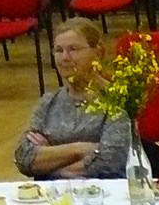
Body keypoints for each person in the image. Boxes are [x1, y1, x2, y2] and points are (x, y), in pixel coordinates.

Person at [13, 18, 130, 180]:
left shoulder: (117, 98)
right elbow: (23, 157)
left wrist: (50, 161)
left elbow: (111, 161)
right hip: (53, 194)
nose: (64, 58)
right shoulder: (48, 102)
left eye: (73, 49)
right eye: (58, 50)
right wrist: (79, 149)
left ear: (97, 53)